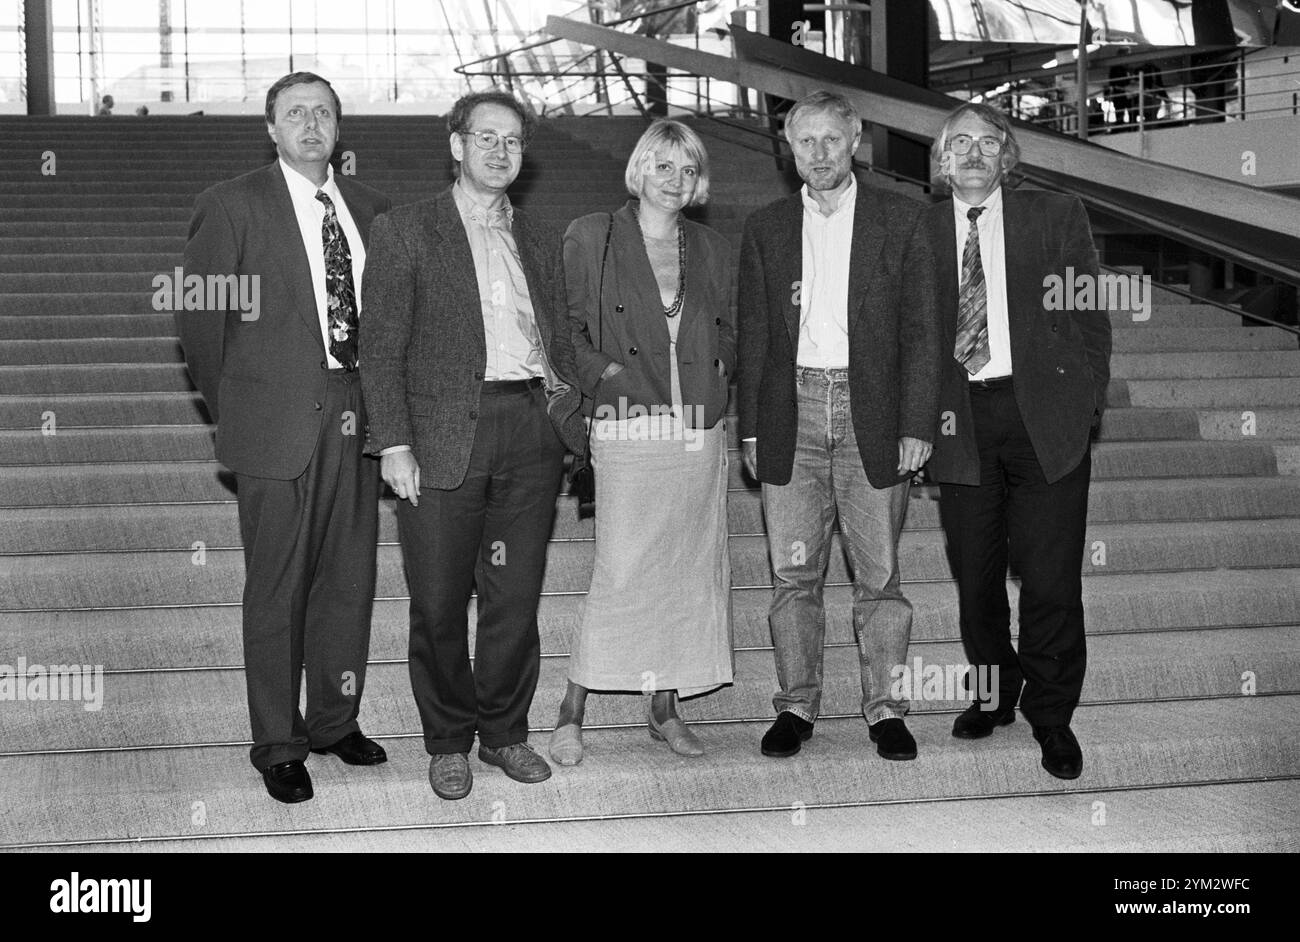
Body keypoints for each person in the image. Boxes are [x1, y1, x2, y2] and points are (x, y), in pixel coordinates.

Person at [360, 90, 585, 801]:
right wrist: (393, 443)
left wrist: (570, 415)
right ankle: (448, 740)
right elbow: (381, 347)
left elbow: (564, 338)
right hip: (441, 435)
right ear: (456, 145)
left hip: (529, 430)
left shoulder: (544, 239)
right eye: (484, 137)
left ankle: (505, 734)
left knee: (514, 597)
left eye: (512, 141)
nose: (499, 151)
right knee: (437, 599)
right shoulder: (406, 230)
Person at [176, 72, 391, 804]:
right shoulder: (232, 205)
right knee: (277, 588)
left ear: (339, 127)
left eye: (323, 113)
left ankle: (334, 721)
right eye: (294, 113)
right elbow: (199, 324)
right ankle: (278, 741)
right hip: (273, 424)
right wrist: (239, 408)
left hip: (356, 411)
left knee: (347, 583)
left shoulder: (368, 209)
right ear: (271, 129)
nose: (310, 124)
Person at [737, 90, 941, 762]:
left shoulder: (902, 219)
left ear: (855, 139)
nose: (818, 154)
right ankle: (797, 705)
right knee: (794, 575)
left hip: (871, 411)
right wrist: (754, 426)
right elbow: (756, 336)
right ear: (787, 148)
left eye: (831, 139)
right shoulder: (765, 227)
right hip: (790, 409)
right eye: (804, 142)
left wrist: (917, 421)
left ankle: (885, 710)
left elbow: (921, 330)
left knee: (878, 577)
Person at [925, 102, 1111, 780]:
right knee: (975, 576)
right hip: (959, 420)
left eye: (988, 142)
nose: (974, 152)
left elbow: (1088, 309)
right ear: (942, 160)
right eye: (960, 142)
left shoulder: (1054, 214)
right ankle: (995, 694)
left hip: (1044, 418)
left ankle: (1052, 715)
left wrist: (1087, 397)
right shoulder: (917, 228)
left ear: (1007, 156)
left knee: (1051, 576)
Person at [549, 119, 735, 766]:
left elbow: (731, 327)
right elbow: (567, 330)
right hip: (628, 421)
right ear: (639, 169)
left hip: (696, 430)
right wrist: (613, 377)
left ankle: (664, 708)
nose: (676, 181)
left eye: (688, 170)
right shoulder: (591, 234)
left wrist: (717, 375)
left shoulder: (710, 246)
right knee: (621, 571)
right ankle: (571, 708)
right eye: (664, 166)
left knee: (684, 573)